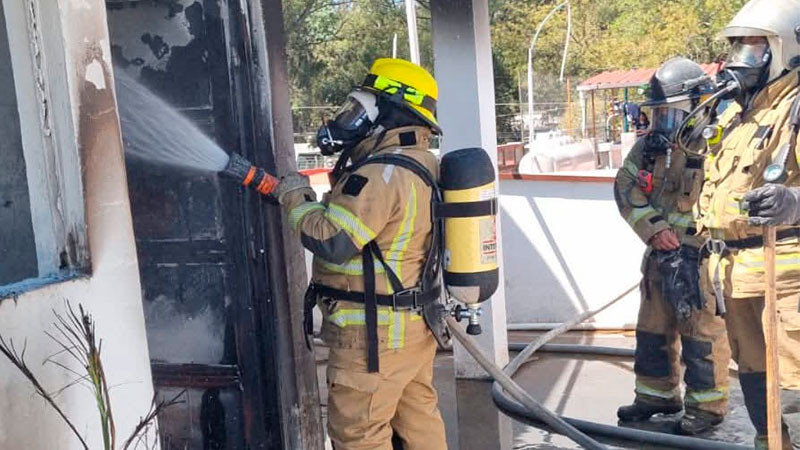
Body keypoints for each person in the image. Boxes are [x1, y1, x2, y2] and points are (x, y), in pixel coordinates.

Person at [273, 58, 447, 450]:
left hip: (373, 339)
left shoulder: (379, 174)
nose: (351, 117)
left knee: (360, 436)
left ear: (389, 110)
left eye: (361, 107)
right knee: (419, 430)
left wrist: (295, 198)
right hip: (412, 329)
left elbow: (333, 241)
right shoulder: (422, 163)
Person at [695, 1, 800, 447]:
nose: (740, 56)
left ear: (784, 48)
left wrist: (792, 201)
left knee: (795, 383)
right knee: (756, 383)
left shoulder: (794, 109)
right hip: (736, 277)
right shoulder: (741, 114)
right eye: (736, 45)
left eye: (753, 45)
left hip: (787, 280)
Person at [614, 57, 731, 435]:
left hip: (700, 259)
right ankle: (656, 396)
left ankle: (707, 408)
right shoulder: (650, 148)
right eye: (658, 112)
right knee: (651, 330)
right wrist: (653, 229)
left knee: (701, 333)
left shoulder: (718, 144)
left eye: (670, 112)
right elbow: (625, 187)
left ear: (697, 104)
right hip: (659, 257)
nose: (663, 121)